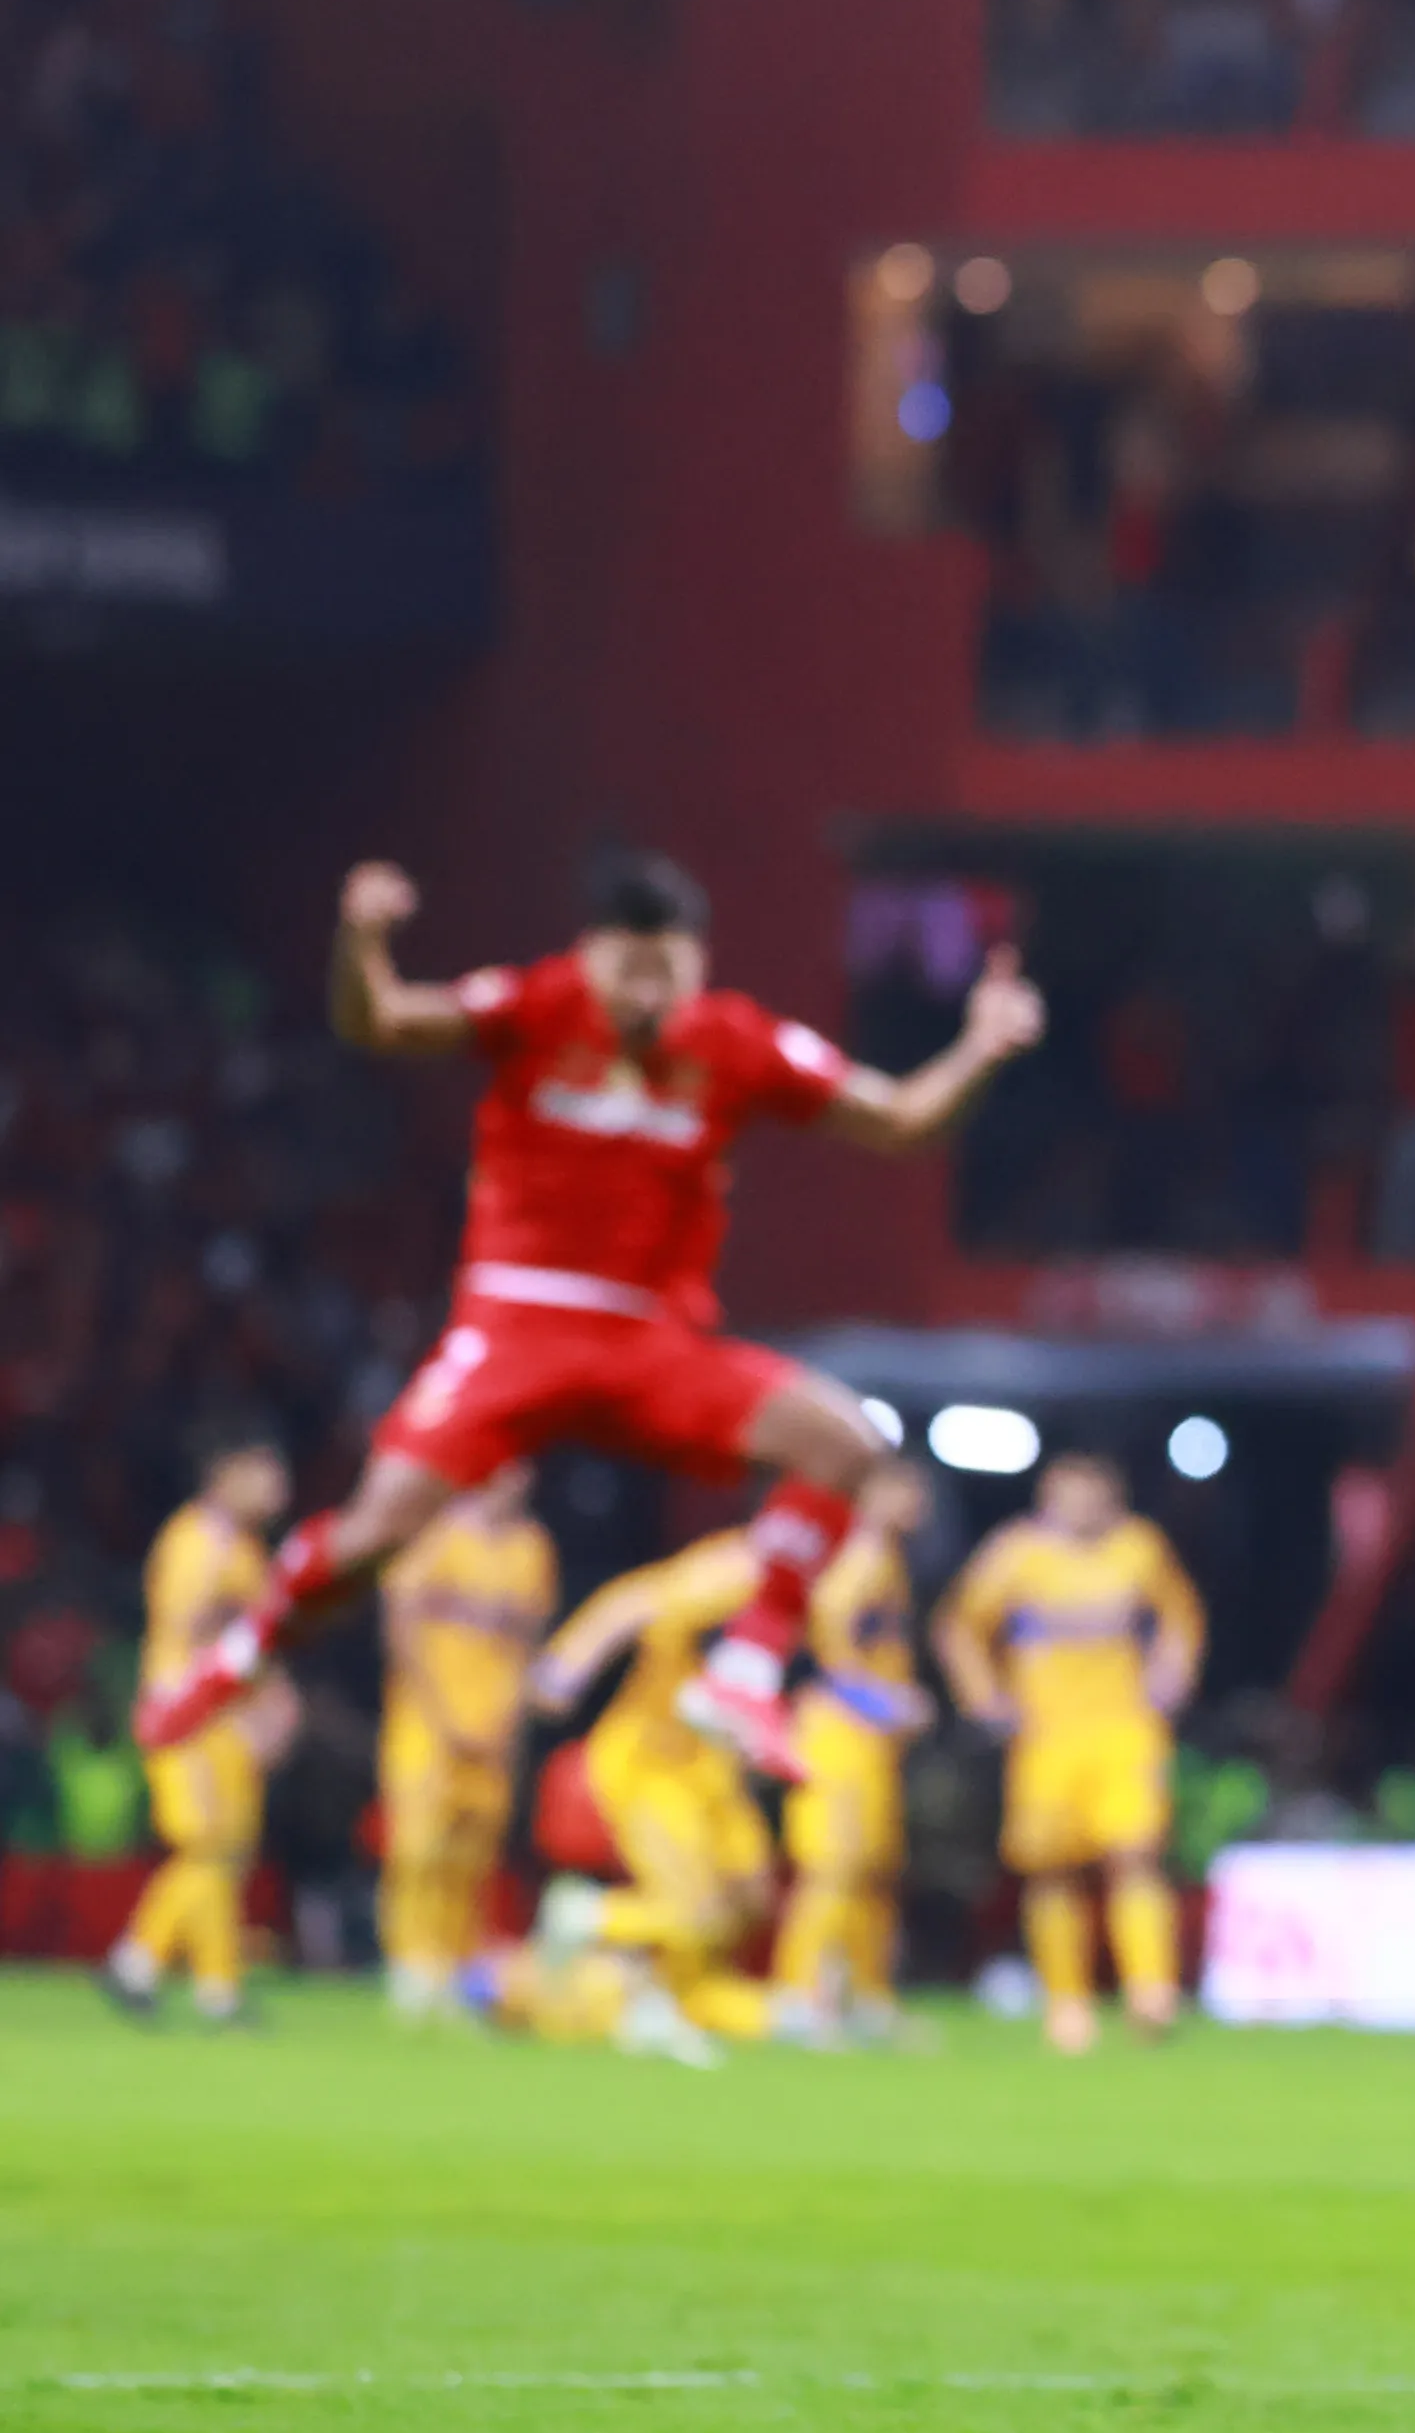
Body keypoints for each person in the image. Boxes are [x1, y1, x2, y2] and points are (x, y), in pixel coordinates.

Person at [135, 846, 1044, 1781]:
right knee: (375, 1534)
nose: (647, 992)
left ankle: (742, 1672)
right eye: (627, 968)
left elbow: (901, 1119)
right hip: (517, 1324)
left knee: (846, 1445)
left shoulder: (737, 1041)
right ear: (589, 955)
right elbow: (380, 1020)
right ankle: (238, 1659)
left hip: (650, 1340)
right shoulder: (535, 1004)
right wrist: (360, 941)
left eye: (668, 970)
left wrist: (979, 1048)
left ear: (699, 962)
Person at [934, 1450, 1207, 2055]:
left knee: (1135, 1853)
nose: (1081, 1507)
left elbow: (1181, 1616)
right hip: (1047, 1736)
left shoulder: (1138, 1547)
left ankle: (1150, 1991)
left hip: (1125, 1729)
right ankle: (1068, 2000)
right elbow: (958, 1627)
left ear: (1112, 1498)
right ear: (1047, 1499)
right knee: (1052, 1868)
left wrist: (1172, 1671)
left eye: (1092, 1495)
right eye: (1068, 1495)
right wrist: (985, 1697)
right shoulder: (1016, 1554)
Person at [528, 1531, 781, 2064]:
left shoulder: (819, 1581)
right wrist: (568, 1661)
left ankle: (678, 2000)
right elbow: (636, 1602)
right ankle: (589, 1917)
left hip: (710, 1769)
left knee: (751, 1896)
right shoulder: (743, 1565)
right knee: (697, 1909)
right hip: (655, 1763)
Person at [106, 1431, 293, 2027]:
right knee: (207, 1846)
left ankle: (197, 1979)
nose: (277, 1487)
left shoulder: (241, 1548)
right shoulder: (198, 1543)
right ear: (225, 1472)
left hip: (219, 1719)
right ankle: (158, 1967)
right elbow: (191, 1636)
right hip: (186, 1716)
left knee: (225, 1853)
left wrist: (267, 1704)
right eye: (264, 1471)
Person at [373, 1463, 557, 2023]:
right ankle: (410, 1967)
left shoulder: (532, 1547)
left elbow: (529, 1641)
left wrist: (513, 1721)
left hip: (494, 1726)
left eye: (520, 1469)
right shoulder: (433, 1534)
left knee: (473, 1853)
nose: (513, 1479)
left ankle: (452, 1967)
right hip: (429, 1724)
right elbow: (401, 1629)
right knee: (419, 1847)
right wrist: (441, 1715)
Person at [774, 1458, 934, 2046]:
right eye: (907, 1486)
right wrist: (886, 1701)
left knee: (871, 1871)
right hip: (835, 1735)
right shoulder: (854, 1555)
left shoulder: (887, 1558)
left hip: (868, 1743)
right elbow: (827, 1652)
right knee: (832, 1869)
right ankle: (800, 1998)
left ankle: (866, 1999)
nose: (919, 1498)